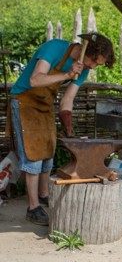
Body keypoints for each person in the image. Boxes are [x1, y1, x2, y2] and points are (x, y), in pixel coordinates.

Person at [9, 32, 115, 226]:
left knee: (48, 152)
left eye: (97, 64)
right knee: (33, 154)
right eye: (93, 61)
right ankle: (32, 208)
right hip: (24, 100)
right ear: (86, 51)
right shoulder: (54, 48)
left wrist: (69, 128)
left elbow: (67, 100)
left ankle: (43, 196)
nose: (93, 66)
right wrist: (67, 74)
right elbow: (35, 80)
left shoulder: (84, 69)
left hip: (45, 105)